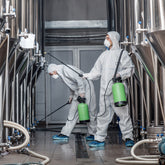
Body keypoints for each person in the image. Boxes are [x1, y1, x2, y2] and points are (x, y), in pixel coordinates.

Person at [83, 31, 135, 147]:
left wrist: (120, 74)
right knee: (102, 115)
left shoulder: (122, 53)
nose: (106, 40)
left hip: (117, 89)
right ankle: (99, 139)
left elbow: (130, 69)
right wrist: (87, 75)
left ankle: (128, 137)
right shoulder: (104, 55)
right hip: (104, 90)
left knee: (123, 114)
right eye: (106, 38)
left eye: (108, 38)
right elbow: (96, 71)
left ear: (114, 39)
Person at [47, 64, 97, 141]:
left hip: (87, 88)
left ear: (53, 71)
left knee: (90, 111)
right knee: (72, 113)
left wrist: (82, 92)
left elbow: (79, 78)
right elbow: (72, 85)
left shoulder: (65, 69)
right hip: (78, 91)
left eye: (51, 74)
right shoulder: (61, 75)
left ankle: (93, 134)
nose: (52, 76)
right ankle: (64, 134)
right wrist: (71, 96)